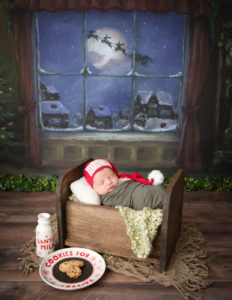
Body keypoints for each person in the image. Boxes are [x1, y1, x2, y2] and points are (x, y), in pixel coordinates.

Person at [84, 158, 165, 210]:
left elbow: (133, 183)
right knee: (144, 196)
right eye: (101, 182)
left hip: (143, 189)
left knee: (152, 190)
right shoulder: (106, 199)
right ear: (93, 188)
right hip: (141, 198)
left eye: (111, 176)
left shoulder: (121, 180)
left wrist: (125, 182)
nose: (109, 182)